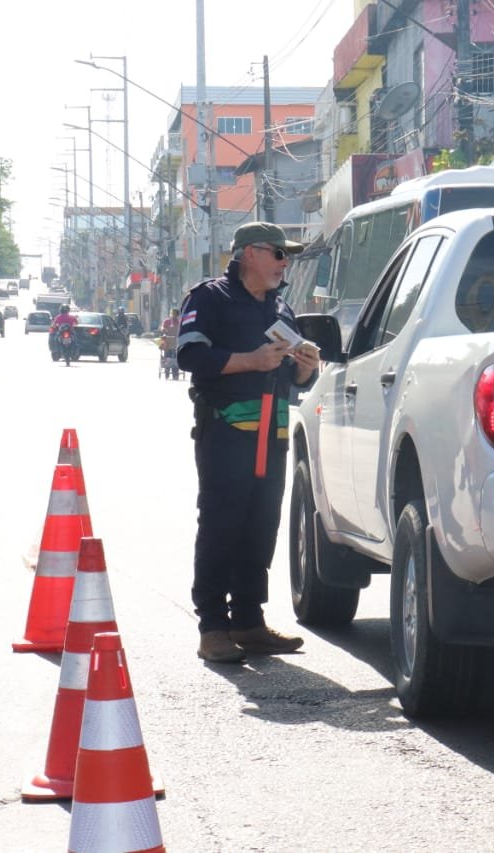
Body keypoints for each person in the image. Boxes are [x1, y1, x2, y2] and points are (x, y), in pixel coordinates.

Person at [177, 222, 320, 664]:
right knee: (221, 525)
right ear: (248, 254)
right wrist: (249, 361)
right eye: (277, 253)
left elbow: (294, 376)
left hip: (272, 436)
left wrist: (305, 369)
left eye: (286, 255)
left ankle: (248, 621)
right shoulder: (210, 297)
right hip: (226, 432)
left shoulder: (281, 307)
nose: (284, 263)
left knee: (261, 527)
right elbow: (190, 355)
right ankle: (213, 627)